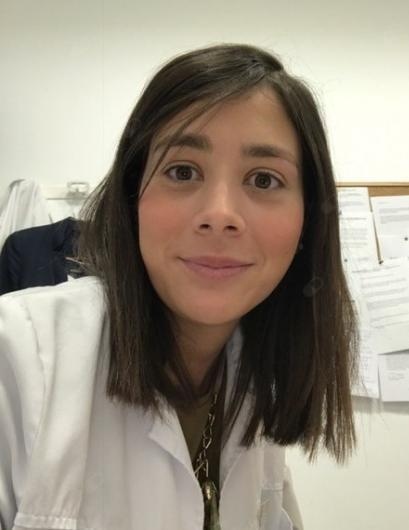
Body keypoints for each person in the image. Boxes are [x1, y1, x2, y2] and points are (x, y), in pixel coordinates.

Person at [0, 43, 358, 530]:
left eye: (264, 180)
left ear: (306, 222)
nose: (220, 215)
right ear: (133, 199)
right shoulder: (18, 357)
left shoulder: (256, 384)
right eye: (182, 171)